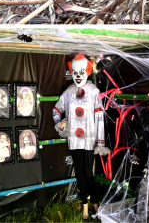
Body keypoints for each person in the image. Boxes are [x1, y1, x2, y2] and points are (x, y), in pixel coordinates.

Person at [53, 54, 110, 221]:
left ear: (87, 70)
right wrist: (60, 124)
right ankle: (86, 206)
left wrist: (100, 142)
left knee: (88, 173)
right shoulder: (69, 92)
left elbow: (99, 116)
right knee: (80, 172)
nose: (78, 75)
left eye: (81, 71)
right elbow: (56, 110)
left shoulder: (93, 91)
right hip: (74, 138)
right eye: (75, 71)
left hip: (89, 138)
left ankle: (96, 206)